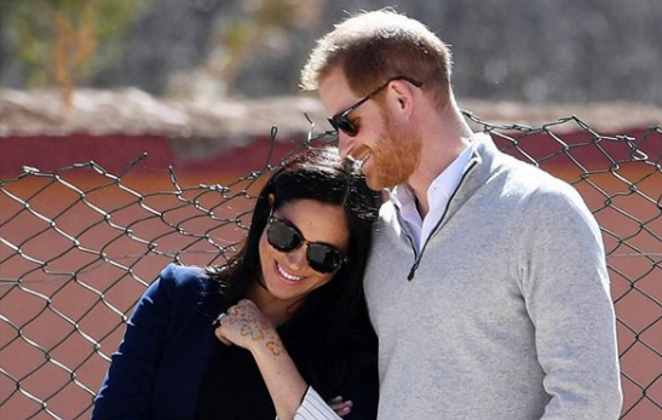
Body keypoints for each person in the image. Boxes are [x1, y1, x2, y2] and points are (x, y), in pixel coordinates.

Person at [300, 9, 623, 420]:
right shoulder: (379, 230)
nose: (343, 147)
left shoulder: (541, 211)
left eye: (349, 123)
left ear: (401, 98)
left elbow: (589, 401)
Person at [92, 147, 381, 420]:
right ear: (268, 210)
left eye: (323, 255)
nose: (296, 262)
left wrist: (264, 343)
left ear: (347, 260)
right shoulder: (179, 297)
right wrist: (304, 409)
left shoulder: (351, 352)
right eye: (286, 236)